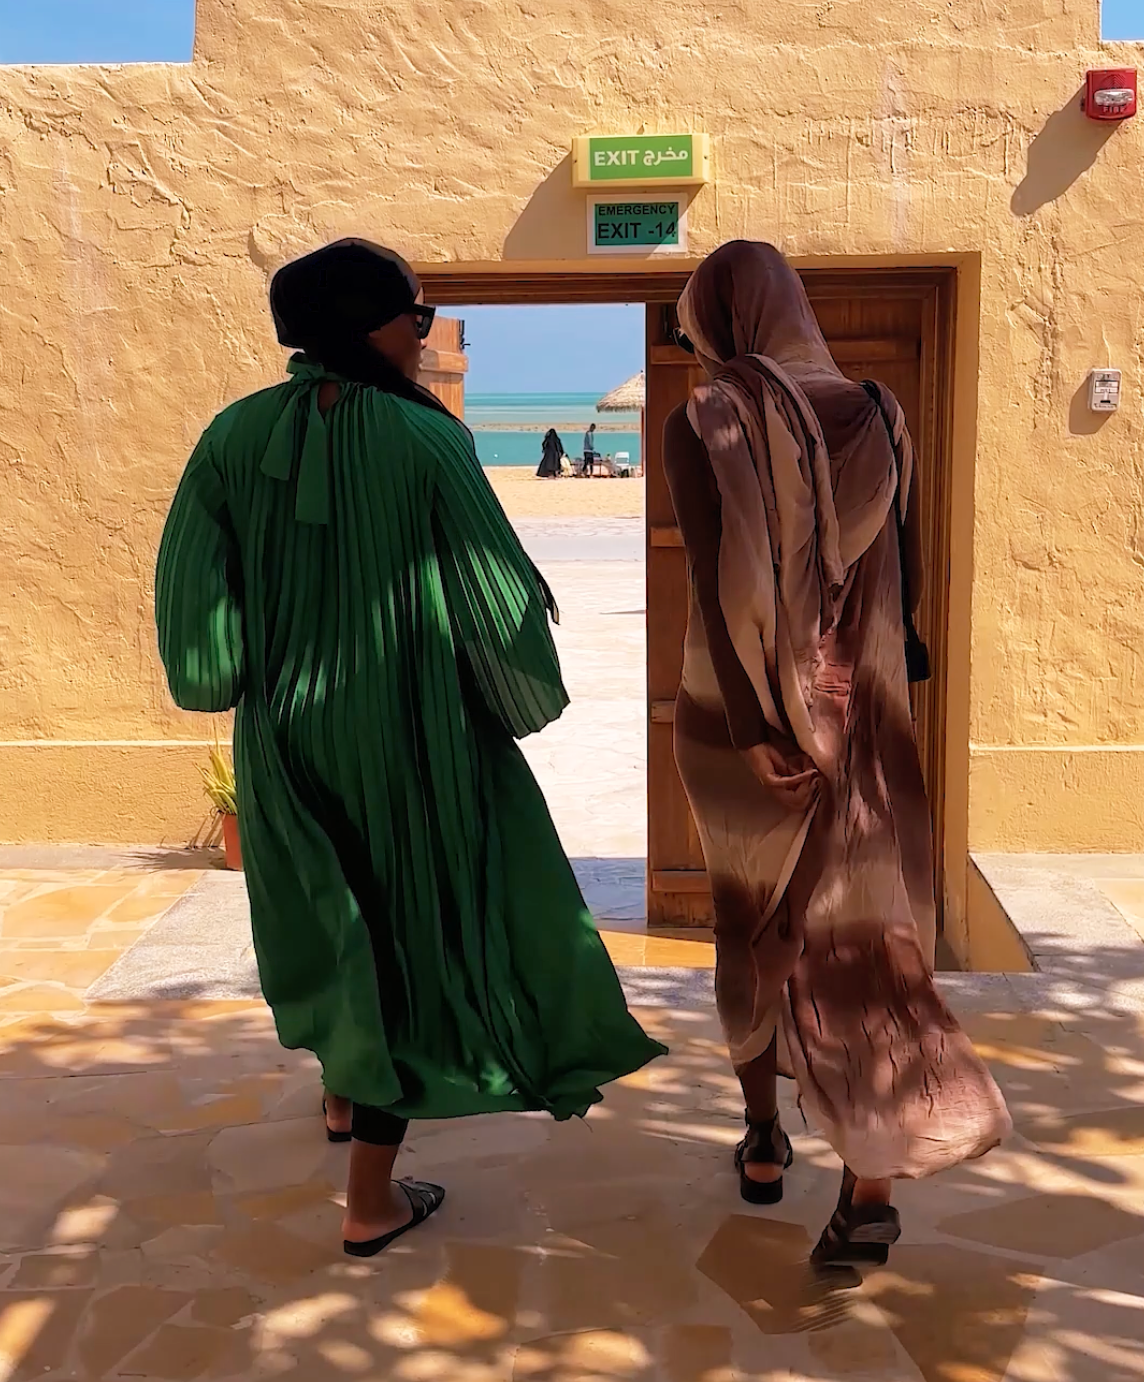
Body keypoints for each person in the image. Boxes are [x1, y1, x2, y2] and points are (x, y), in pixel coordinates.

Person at [156, 239, 664, 1258]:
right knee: (407, 940)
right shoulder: (428, 438)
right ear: (371, 326)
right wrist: (516, 699)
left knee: (329, 916)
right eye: (416, 317)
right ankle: (370, 1201)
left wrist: (251, 679)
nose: (424, 336)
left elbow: (197, 629)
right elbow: (495, 594)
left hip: (283, 738)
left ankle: (343, 1092)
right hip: (410, 734)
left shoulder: (230, 435)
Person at [663, 241, 1009, 1268]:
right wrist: (878, 679)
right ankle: (868, 1182)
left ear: (719, 318)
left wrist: (755, 723)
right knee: (859, 931)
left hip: (738, 718)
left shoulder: (708, 415)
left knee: (750, 922)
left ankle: (766, 1140)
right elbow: (905, 569)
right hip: (864, 708)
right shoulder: (880, 412)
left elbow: (713, 583)